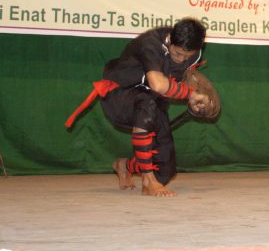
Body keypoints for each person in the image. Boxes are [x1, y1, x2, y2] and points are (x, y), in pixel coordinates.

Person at [65, 17, 210, 197]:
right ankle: (148, 181)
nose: (181, 60)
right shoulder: (150, 43)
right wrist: (190, 94)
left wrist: (195, 101)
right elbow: (158, 85)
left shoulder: (194, 54)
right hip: (119, 96)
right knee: (147, 101)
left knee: (165, 170)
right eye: (178, 53)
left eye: (186, 56)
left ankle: (125, 166)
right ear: (170, 40)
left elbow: (175, 84)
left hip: (152, 100)